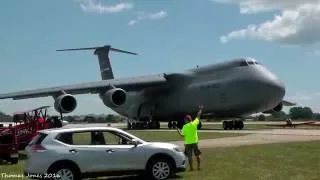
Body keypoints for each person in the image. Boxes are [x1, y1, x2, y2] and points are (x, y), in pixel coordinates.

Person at [177, 105, 203, 171]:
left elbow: (182, 135)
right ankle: (199, 167)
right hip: (195, 142)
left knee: (190, 157)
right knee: (197, 155)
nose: (184, 121)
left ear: (187, 120)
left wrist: (179, 131)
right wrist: (200, 109)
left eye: (185, 120)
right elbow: (198, 116)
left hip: (188, 143)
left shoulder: (185, 127)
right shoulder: (194, 123)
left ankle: (191, 168)